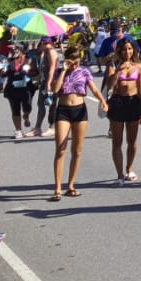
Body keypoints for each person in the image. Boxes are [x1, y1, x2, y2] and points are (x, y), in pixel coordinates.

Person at [49, 42, 105, 201]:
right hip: (64, 111)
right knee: (61, 149)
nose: (75, 64)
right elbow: (55, 89)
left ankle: (71, 185)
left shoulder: (84, 72)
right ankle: (57, 188)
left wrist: (102, 101)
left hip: (80, 111)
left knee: (77, 150)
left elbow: (93, 89)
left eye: (77, 61)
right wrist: (64, 71)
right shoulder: (61, 71)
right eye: (72, 60)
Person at [104, 38, 141, 185]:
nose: (127, 52)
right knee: (117, 141)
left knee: (132, 140)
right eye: (124, 49)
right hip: (117, 102)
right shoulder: (113, 65)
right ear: (119, 51)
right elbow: (110, 85)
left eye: (130, 49)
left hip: (133, 102)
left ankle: (129, 168)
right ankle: (119, 174)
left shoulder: (138, 67)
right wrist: (118, 71)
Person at [0, 48, 39, 139]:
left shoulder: (29, 60)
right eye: (12, 51)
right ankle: (18, 130)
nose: (14, 53)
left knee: (27, 107)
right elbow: (2, 74)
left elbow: (36, 72)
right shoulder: (9, 61)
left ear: (22, 52)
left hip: (26, 88)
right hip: (12, 88)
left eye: (16, 51)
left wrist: (30, 71)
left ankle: (26, 116)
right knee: (15, 109)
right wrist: (3, 71)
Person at [31, 37, 60, 138]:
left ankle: (52, 127)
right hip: (44, 81)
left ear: (44, 43)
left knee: (52, 104)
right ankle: (37, 127)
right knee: (41, 103)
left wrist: (48, 83)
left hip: (52, 82)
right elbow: (43, 68)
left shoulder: (51, 52)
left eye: (41, 44)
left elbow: (52, 69)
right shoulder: (45, 52)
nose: (39, 47)